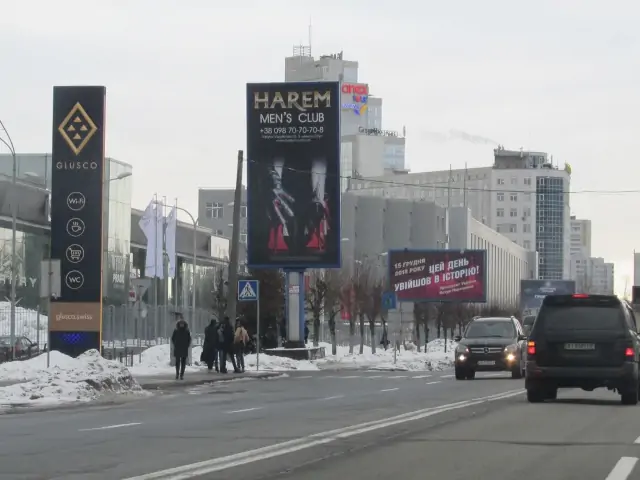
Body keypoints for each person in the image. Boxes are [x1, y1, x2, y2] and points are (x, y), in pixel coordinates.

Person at [171, 315, 191, 380]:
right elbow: (173, 338)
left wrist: (187, 345)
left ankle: (181, 374)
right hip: (178, 348)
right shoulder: (176, 331)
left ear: (184, 324)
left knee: (183, 362)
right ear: (179, 324)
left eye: (182, 324)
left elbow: (189, 339)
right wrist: (175, 344)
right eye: (180, 324)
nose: (181, 325)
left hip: (184, 348)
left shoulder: (186, 331)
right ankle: (177, 373)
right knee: (177, 362)